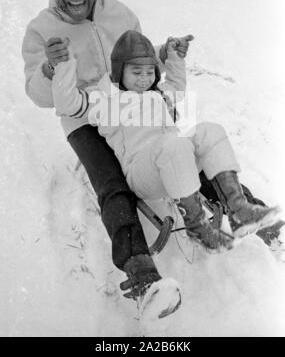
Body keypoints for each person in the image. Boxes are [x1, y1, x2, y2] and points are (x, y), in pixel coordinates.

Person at [21, 0, 191, 318]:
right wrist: (52, 68)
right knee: (110, 182)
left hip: (126, 105)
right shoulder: (41, 29)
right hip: (83, 116)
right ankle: (142, 274)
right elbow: (36, 94)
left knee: (177, 142)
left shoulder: (121, 14)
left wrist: (166, 51)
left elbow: (139, 56)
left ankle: (234, 202)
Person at [51, 30, 281, 304]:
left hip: (175, 161)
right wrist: (64, 66)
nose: (145, 78)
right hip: (142, 172)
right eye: (136, 72)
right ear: (118, 72)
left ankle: (239, 207)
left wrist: (174, 56)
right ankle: (197, 226)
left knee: (209, 130)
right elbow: (67, 103)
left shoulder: (158, 94)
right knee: (174, 144)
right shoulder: (104, 99)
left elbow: (177, 87)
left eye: (149, 71)